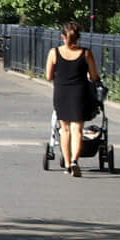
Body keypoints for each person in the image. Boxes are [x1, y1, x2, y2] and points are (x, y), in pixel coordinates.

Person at [44, 21, 100, 177]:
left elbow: (48, 76)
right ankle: (75, 160)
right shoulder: (86, 53)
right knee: (78, 129)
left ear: (63, 36)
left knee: (65, 129)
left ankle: (67, 164)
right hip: (80, 93)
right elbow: (94, 76)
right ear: (78, 37)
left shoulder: (54, 52)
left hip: (62, 93)